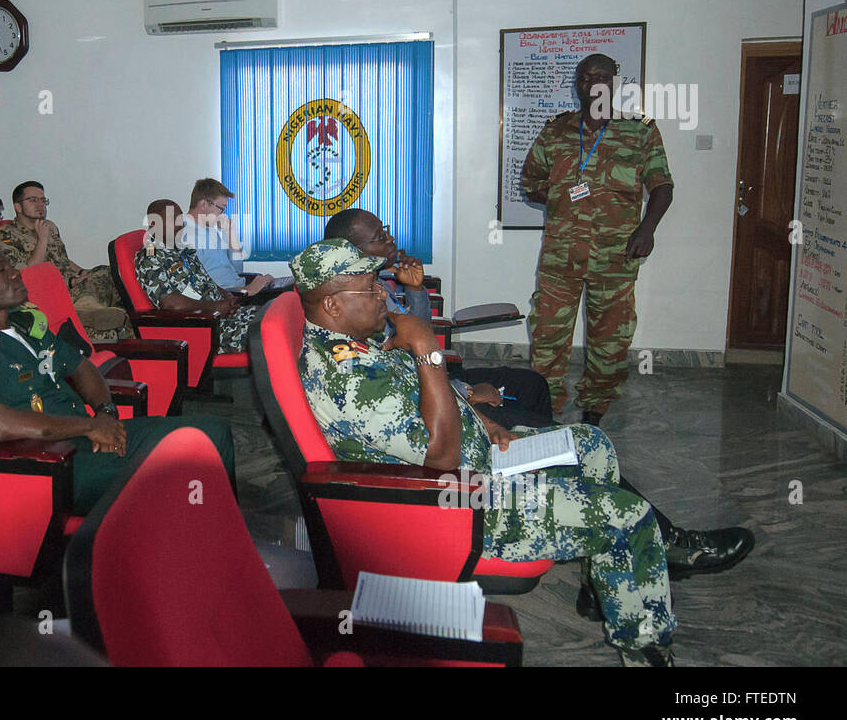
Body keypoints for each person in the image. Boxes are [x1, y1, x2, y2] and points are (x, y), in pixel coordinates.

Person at [291, 238, 752, 667]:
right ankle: (644, 645)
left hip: (480, 461)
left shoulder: (353, 341)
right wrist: (427, 348)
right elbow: (441, 458)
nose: (381, 292)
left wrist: (483, 420)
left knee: (591, 444)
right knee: (625, 516)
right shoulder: (348, 378)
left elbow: (425, 402)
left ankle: (605, 587)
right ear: (332, 304)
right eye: (369, 286)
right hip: (460, 502)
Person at [0, 245, 236, 515]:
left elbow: (81, 367)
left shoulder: (24, 325)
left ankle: (213, 537)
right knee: (175, 469)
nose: (15, 273)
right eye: (1, 272)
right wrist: (90, 426)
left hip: (86, 434)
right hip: (47, 462)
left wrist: (105, 413)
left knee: (211, 432)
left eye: (10, 267)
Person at [520, 53, 674, 425]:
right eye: (586, 77)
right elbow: (530, 184)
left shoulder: (640, 130)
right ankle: (547, 406)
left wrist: (646, 229)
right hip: (561, 256)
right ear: (578, 84)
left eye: (602, 75)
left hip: (616, 256)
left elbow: (663, 186)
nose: (593, 82)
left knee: (610, 337)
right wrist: (561, 196)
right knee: (548, 336)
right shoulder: (555, 130)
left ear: (615, 82)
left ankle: (595, 407)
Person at [324, 208, 554, 429]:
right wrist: (467, 392)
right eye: (381, 237)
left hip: (433, 376)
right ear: (351, 251)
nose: (391, 238)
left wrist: (415, 288)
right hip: (429, 398)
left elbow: (420, 333)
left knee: (533, 385)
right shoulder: (353, 306)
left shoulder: (379, 284)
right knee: (539, 427)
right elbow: (401, 379)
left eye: (386, 230)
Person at [0, 180, 130, 339]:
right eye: (33, 200)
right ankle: (91, 314)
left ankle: (95, 312)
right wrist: (42, 240)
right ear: (18, 206)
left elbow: (63, 259)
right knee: (100, 289)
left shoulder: (49, 226)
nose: (40, 205)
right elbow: (28, 273)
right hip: (47, 293)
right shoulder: (6, 236)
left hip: (71, 284)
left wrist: (81, 272)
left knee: (106, 271)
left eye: (43, 200)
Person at [135, 199, 259, 354]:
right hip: (201, 328)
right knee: (263, 333)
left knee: (269, 314)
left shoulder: (182, 248)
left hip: (221, 316)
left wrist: (226, 296)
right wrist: (216, 307)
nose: (180, 224)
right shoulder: (150, 257)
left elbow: (206, 280)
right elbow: (170, 303)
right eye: (173, 219)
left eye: (180, 218)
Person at [184, 178, 270, 295]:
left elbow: (237, 271)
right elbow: (198, 288)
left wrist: (230, 232)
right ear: (204, 204)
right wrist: (247, 290)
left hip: (240, 289)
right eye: (221, 208)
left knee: (286, 292)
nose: (223, 213)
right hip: (226, 297)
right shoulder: (186, 235)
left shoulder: (210, 229)